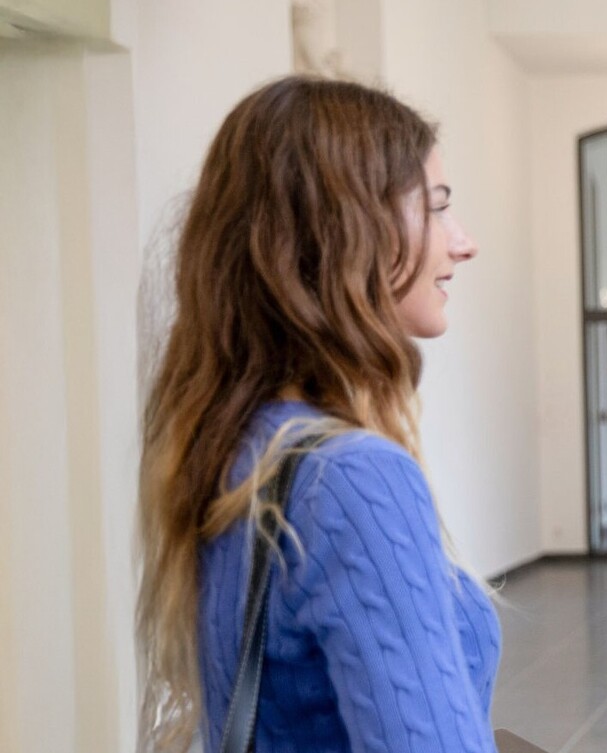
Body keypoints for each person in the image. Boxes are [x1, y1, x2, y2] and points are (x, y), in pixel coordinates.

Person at [135, 76, 492, 752]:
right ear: (346, 233)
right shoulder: (353, 477)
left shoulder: (234, 445)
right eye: (438, 207)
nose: (462, 242)